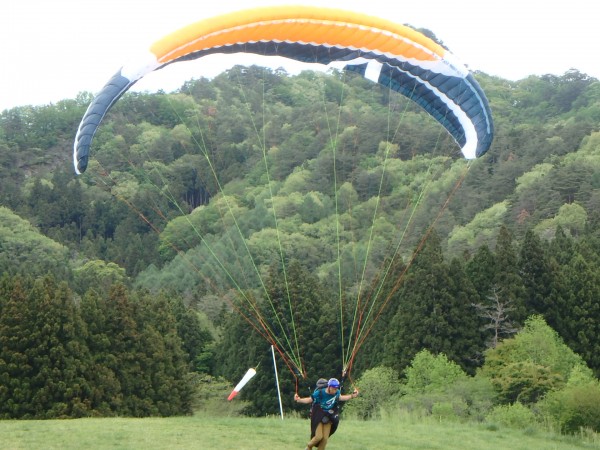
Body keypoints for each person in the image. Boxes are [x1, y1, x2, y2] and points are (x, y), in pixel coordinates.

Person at [294, 377, 359, 450]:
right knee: (319, 437)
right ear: (329, 387)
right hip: (318, 415)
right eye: (333, 388)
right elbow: (309, 400)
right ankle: (309, 446)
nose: (335, 390)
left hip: (329, 416)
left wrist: (352, 396)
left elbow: (341, 398)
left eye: (336, 388)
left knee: (325, 439)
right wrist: (299, 400)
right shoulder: (320, 393)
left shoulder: (337, 392)